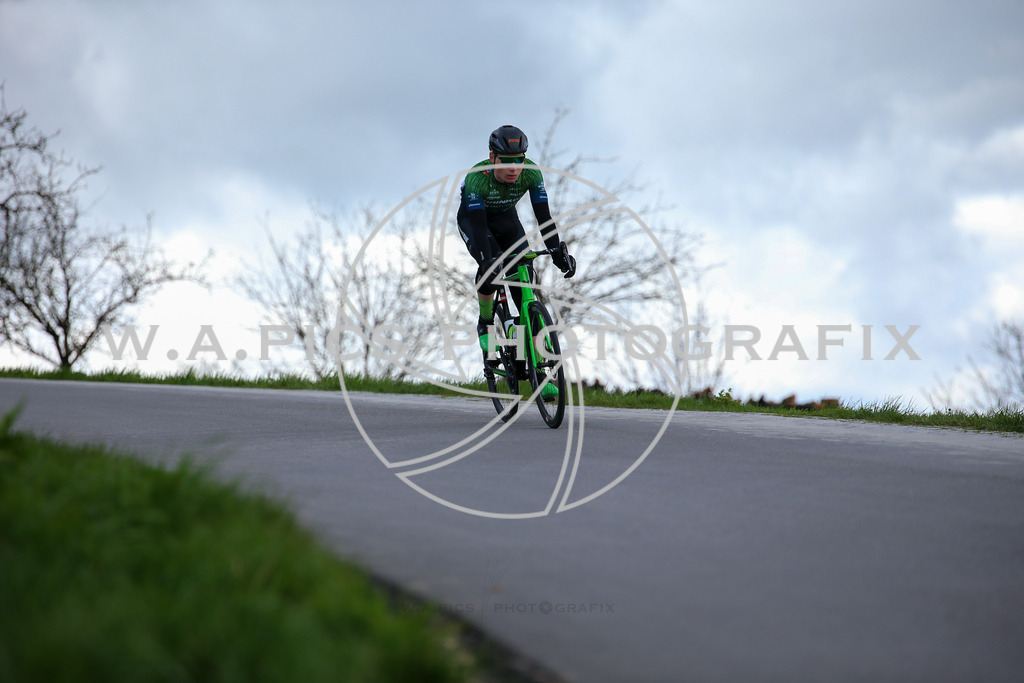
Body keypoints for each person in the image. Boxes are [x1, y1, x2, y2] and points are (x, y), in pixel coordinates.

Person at [457, 124, 576, 368]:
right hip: (475, 221)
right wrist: (487, 259)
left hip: (506, 221)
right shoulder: (476, 179)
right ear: (492, 158)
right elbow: (479, 229)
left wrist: (557, 252)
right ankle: (486, 322)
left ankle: (539, 368)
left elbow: (544, 218)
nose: (513, 168)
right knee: (491, 265)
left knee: (523, 281)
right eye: (506, 161)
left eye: (518, 160)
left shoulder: (531, 173)